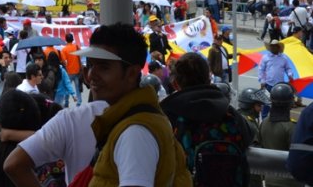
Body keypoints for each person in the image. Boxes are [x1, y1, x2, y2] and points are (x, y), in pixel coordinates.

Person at [72, 22, 191, 186]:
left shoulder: (136, 133)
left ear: (132, 73)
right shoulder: (128, 120)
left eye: (104, 67)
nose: (92, 75)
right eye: (90, 66)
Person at [159, 52, 251, 183]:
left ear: (175, 84)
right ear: (208, 79)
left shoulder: (165, 117)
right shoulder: (230, 113)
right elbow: (248, 137)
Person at [258, 83, 298, 187]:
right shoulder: (291, 127)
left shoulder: (264, 122)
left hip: (269, 178)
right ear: (289, 103)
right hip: (289, 180)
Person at [60, 32, 84, 106]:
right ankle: (79, 102)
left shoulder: (64, 50)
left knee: (67, 87)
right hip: (77, 71)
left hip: (68, 72)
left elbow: (64, 61)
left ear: (66, 40)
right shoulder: (77, 47)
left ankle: (66, 102)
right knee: (77, 87)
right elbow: (81, 56)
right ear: (73, 39)